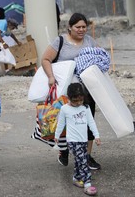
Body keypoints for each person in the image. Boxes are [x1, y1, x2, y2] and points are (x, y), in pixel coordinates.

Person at [41, 13, 101, 170]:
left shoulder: (90, 41)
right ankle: (64, 150)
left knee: (87, 122)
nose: (81, 30)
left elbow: (99, 58)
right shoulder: (60, 41)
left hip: (88, 90)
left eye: (84, 27)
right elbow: (45, 59)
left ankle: (87, 157)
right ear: (70, 27)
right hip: (66, 92)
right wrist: (51, 77)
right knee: (67, 123)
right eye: (78, 27)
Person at [55, 83, 101, 196]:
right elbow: (61, 124)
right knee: (84, 161)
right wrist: (56, 135)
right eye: (75, 101)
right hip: (72, 141)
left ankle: (76, 178)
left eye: (80, 100)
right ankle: (87, 184)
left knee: (79, 161)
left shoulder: (85, 108)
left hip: (83, 140)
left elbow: (91, 122)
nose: (78, 103)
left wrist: (97, 135)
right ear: (69, 98)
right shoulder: (64, 109)